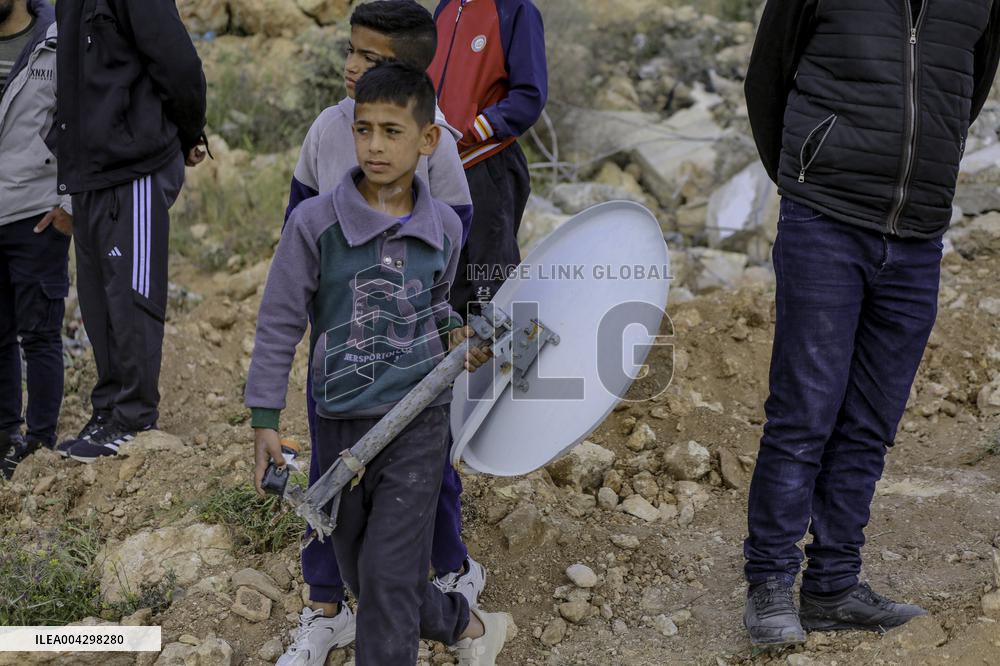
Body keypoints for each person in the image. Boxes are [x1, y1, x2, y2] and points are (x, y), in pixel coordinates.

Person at [741, 0, 1000, 647]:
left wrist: (921, 173)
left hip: (917, 237)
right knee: (804, 413)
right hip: (825, 222)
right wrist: (807, 176)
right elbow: (765, 79)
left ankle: (833, 586)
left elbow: (969, 84)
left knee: (870, 422)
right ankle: (770, 582)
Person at [247, 62, 507, 666]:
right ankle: (466, 628)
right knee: (366, 575)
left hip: (417, 421)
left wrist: (456, 335)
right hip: (339, 418)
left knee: (390, 574)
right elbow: (280, 319)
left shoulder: (443, 226)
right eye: (365, 130)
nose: (375, 145)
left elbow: (434, 303)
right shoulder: (314, 226)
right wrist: (264, 415)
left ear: (428, 140)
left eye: (393, 131)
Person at [52, 0, 208, 462]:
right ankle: (109, 411)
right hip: (91, 173)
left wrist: (188, 133)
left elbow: (178, 64)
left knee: (132, 296)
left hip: (134, 167)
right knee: (100, 300)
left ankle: (135, 417)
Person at [427, 0, 547, 314]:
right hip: (441, 166)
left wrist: (475, 129)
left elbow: (529, 95)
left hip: (489, 162)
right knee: (447, 284)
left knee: (491, 285)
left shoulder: (516, 9)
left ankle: (509, 361)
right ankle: (454, 362)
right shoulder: (447, 7)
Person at [0, 0, 71, 478]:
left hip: (34, 215)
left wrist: (70, 203)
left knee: (40, 335)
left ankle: (40, 445)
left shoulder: (58, 40)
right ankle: (6, 435)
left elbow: (81, 125)